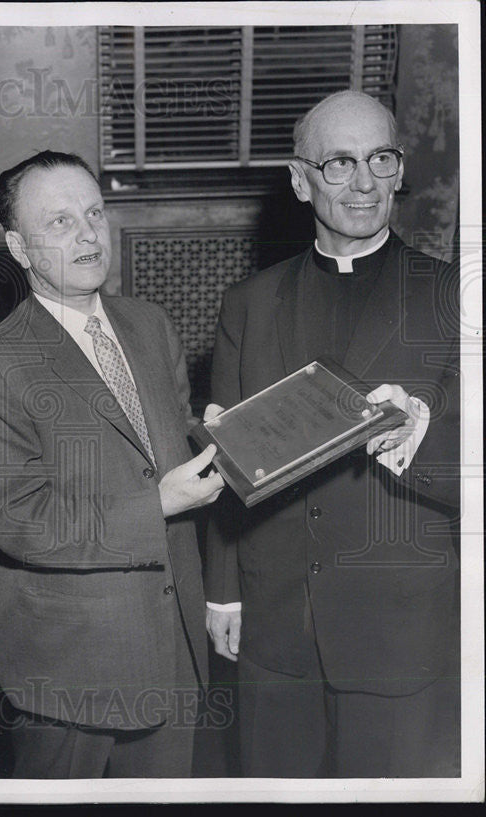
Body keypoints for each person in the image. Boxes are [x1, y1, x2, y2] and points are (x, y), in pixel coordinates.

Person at [205, 90, 461, 777]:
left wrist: (419, 433)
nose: (365, 182)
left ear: (401, 169)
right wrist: (223, 588)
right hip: (274, 625)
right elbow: (222, 456)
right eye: (339, 163)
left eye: (381, 158)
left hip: (400, 627)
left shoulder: (456, 297)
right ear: (300, 179)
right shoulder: (249, 304)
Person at [0, 151, 224, 778]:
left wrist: (230, 434)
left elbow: (167, 436)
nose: (87, 234)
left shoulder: (148, 323)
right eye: (60, 222)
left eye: (95, 212)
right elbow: (12, 518)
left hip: (173, 643)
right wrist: (156, 504)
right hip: (72, 671)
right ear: (19, 249)